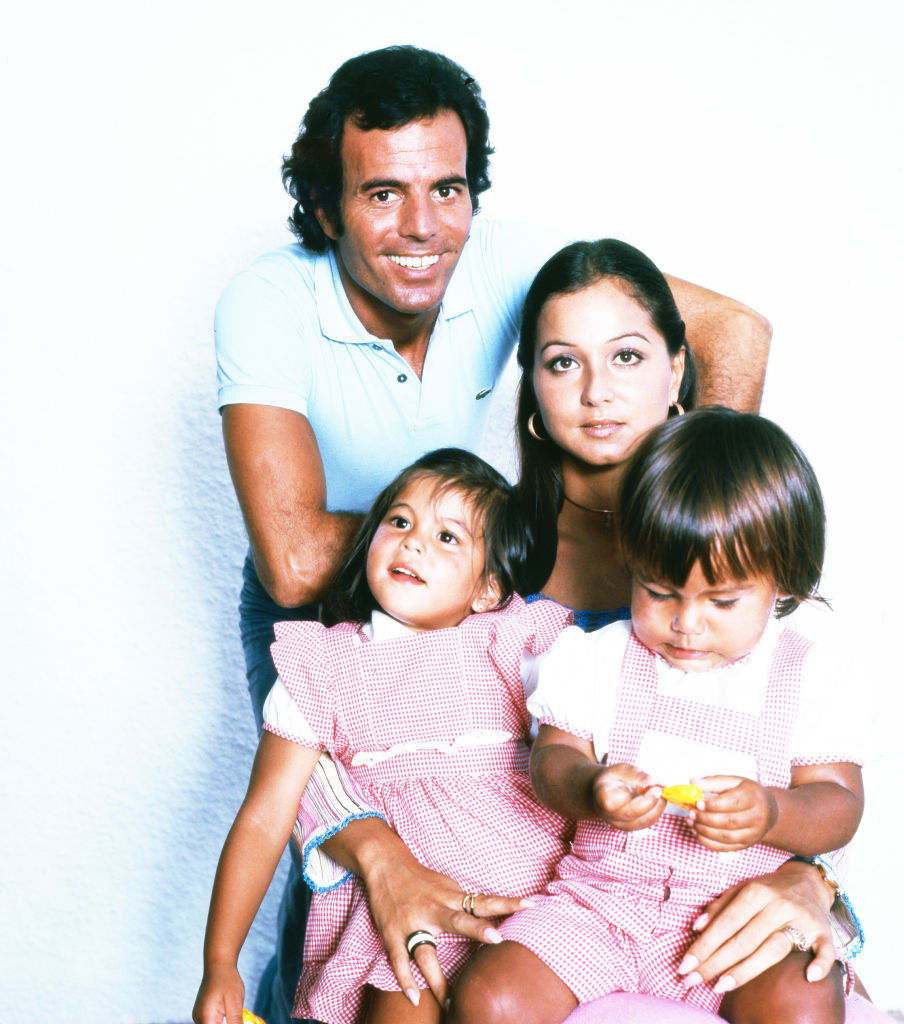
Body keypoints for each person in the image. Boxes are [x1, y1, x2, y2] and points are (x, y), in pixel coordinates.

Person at [215, 44, 773, 1023]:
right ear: (325, 203)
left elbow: (735, 331)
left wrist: (686, 500)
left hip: (495, 607)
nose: (422, 226)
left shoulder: (512, 263)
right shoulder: (269, 301)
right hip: (337, 611)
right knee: (339, 902)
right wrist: (461, 533)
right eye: (381, 193)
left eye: (448, 189)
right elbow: (299, 560)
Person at [449, 407, 865, 1024]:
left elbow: (839, 804)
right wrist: (591, 787)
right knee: (490, 997)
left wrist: (773, 811)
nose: (686, 624)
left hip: (739, 914)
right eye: (660, 591)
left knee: (802, 1002)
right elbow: (551, 760)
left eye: (721, 601)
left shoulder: (805, 676)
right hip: (601, 905)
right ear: (631, 562)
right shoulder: (598, 656)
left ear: (784, 582)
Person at [192, 448, 576, 1024]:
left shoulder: (514, 641)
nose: (413, 542)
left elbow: (582, 742)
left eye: (448, 537)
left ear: (488, 590)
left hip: (529, 904)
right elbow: (264, 817)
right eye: (399, 521)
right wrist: (220, 963)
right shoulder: (321, 665)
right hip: (401, 921)